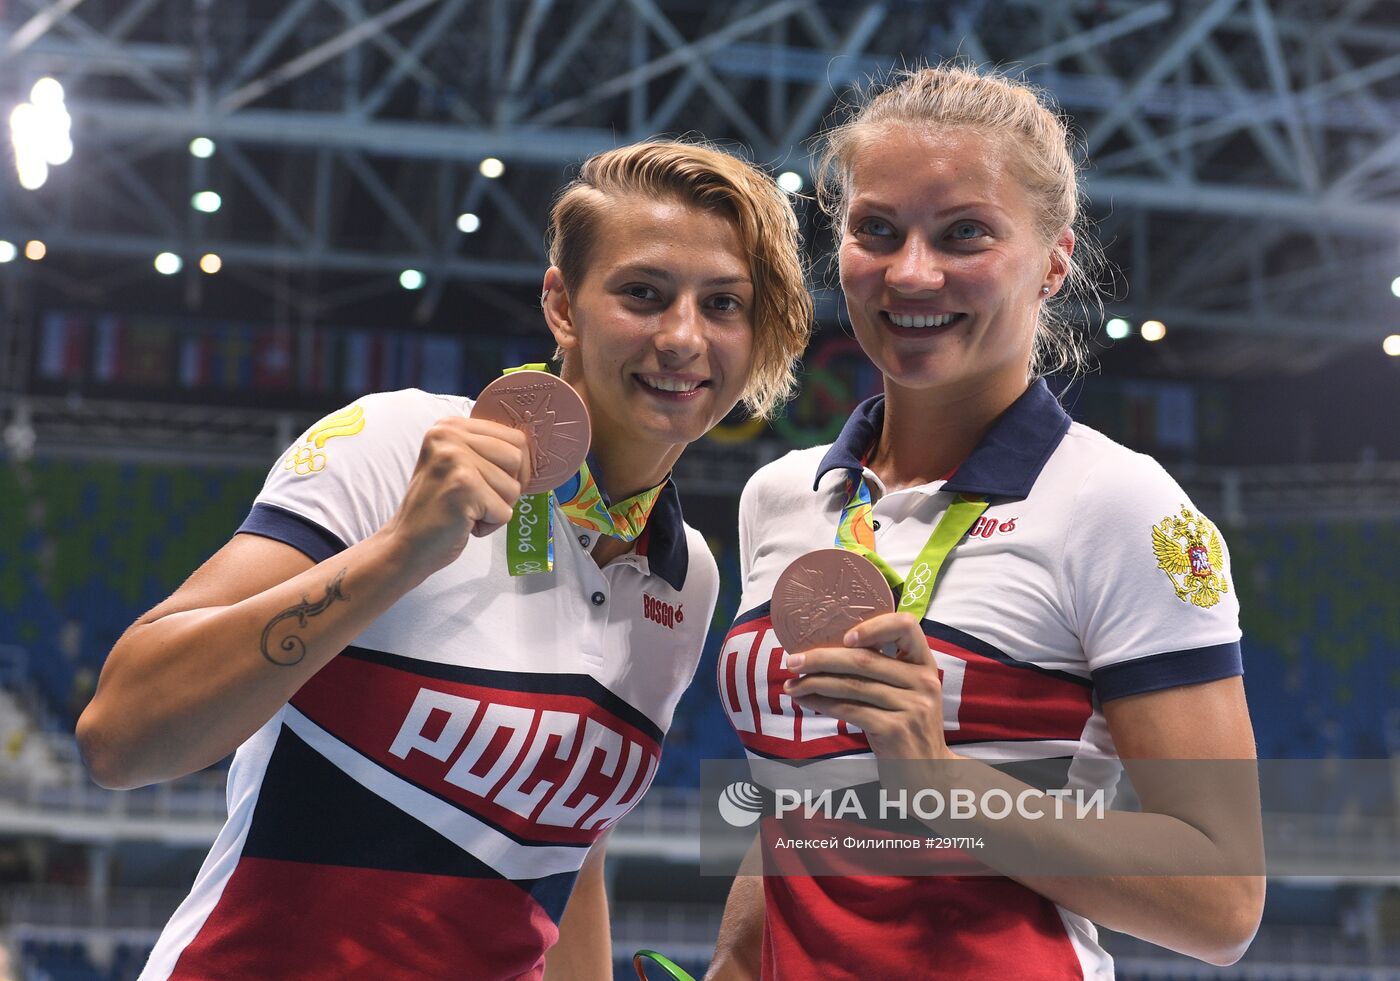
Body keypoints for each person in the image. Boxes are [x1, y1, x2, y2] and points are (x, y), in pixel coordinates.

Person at [76, 139, 812, 980]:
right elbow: (119, 737)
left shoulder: (689, 580)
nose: (682, 336)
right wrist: (398, 551)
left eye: (723, 304)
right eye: (643, 293)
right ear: (563, 305)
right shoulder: (400, 446)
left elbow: (569, 853)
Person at [706, 64, 1264, 980]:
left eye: (964, 233)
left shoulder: (1120, 506)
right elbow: (793, 799)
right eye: (876, 230)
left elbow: (1223, 904)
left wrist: (942, 784)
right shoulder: (783, 495)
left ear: (1054, 260)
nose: (912, 271)